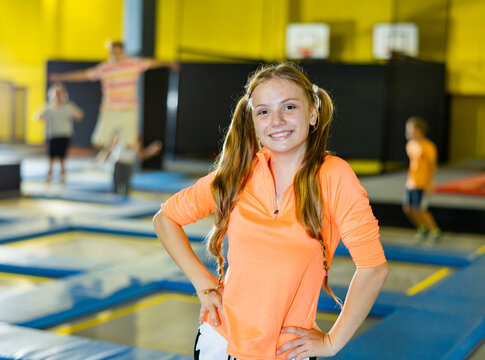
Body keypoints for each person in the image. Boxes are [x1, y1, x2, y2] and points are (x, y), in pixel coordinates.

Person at [153, 63, 388, 360]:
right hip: (219, 342)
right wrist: (204, 284)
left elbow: (374, 268)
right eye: (263, 112)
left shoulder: (334, 176)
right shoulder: (239, 173)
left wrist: (332, 342)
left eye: (289, 107)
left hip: (287, 350)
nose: (276, 120)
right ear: (253, 121)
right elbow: (166, 219)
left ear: (313, 112)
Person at [49, 41, 178, 190]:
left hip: (128, 110)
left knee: (130, 142)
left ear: (123, 52)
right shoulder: (105, 69)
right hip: (110, 110)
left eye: (118, 52)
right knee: (99, 142)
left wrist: (169, 63)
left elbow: (152, 63)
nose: (115, 55)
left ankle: (112, 166)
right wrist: (61, 77)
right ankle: (105, 157)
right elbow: (84, 75)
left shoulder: (133, 64)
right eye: (112, 52)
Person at [402, 116, 441, 246]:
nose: (408, 133)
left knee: (420, 209)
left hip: (422, 183)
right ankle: (422, 228)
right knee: (408, 208)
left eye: (410, 130)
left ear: (419, 131)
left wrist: (430, 184)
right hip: (411, 182)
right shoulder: (410, 145)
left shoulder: (428, 147)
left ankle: (434, 231)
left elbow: (432, 166)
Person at [35, 83, 84, 183]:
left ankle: (62, 176)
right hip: (53, 134)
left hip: (65, 135)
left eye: (60, 93)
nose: (58, 96)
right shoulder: (48, 107)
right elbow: (37, 116)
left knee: (62, 157)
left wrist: (76, 117)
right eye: (56, 94)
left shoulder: (68, 106)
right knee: (51, 157)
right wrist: (45, 119)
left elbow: (79, 114)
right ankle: (49, 175)